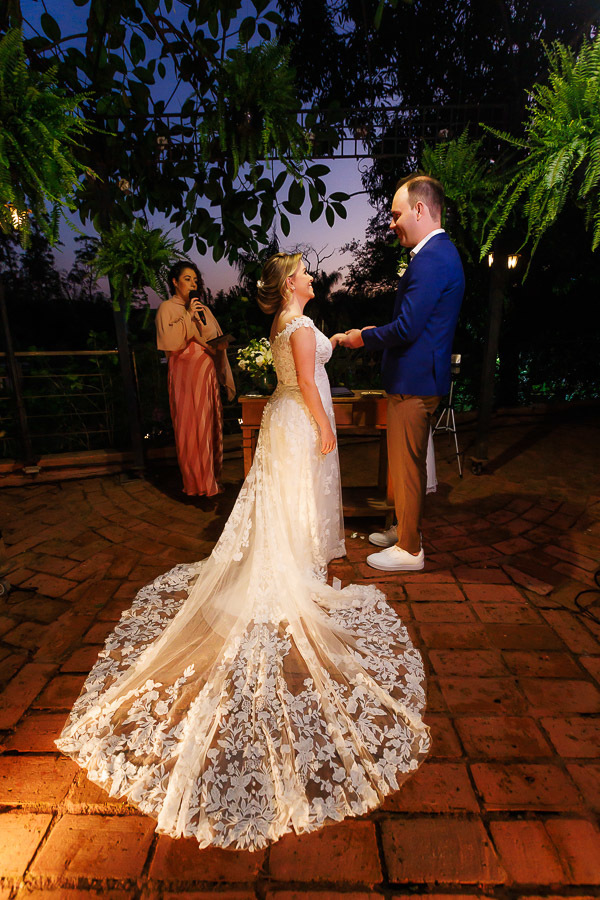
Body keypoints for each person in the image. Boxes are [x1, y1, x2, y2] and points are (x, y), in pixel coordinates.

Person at [56, 252, 430, 852]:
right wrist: (326, 425)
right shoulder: (299, 325)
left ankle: (290, 558)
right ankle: (293, 570)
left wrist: (326, 352)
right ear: (289, 284)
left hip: (283, 420)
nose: (312, 276)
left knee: (282, 501)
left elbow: (299, 368)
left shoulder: (288, 323)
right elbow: (308, 381)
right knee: (293, 498)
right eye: (305, 271)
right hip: (299, 418)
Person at [339, 174, 464, 572]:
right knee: (405, 463)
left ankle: (410, 549)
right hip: (416, 378)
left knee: (408, 467)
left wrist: (364, 337)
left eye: (396, 215)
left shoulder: (432, 259)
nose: (391, 223)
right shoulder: (437, 255)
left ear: (420, 209)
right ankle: (405, 528)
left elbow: (407, 328)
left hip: (414, 382)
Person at [155, 261, 235, 498]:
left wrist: (213, 337)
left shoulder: (203, 309)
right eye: (187, 279)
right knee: (190, 427)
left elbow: (214, 338)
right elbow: (169, 342)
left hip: (206, 372)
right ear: (175, 282)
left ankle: (211, 479)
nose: (193, 283)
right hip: (185, 375)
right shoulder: (167, 308)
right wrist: (187, 317)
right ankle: (195, 482)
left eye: (195, 280)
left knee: (208, 425)